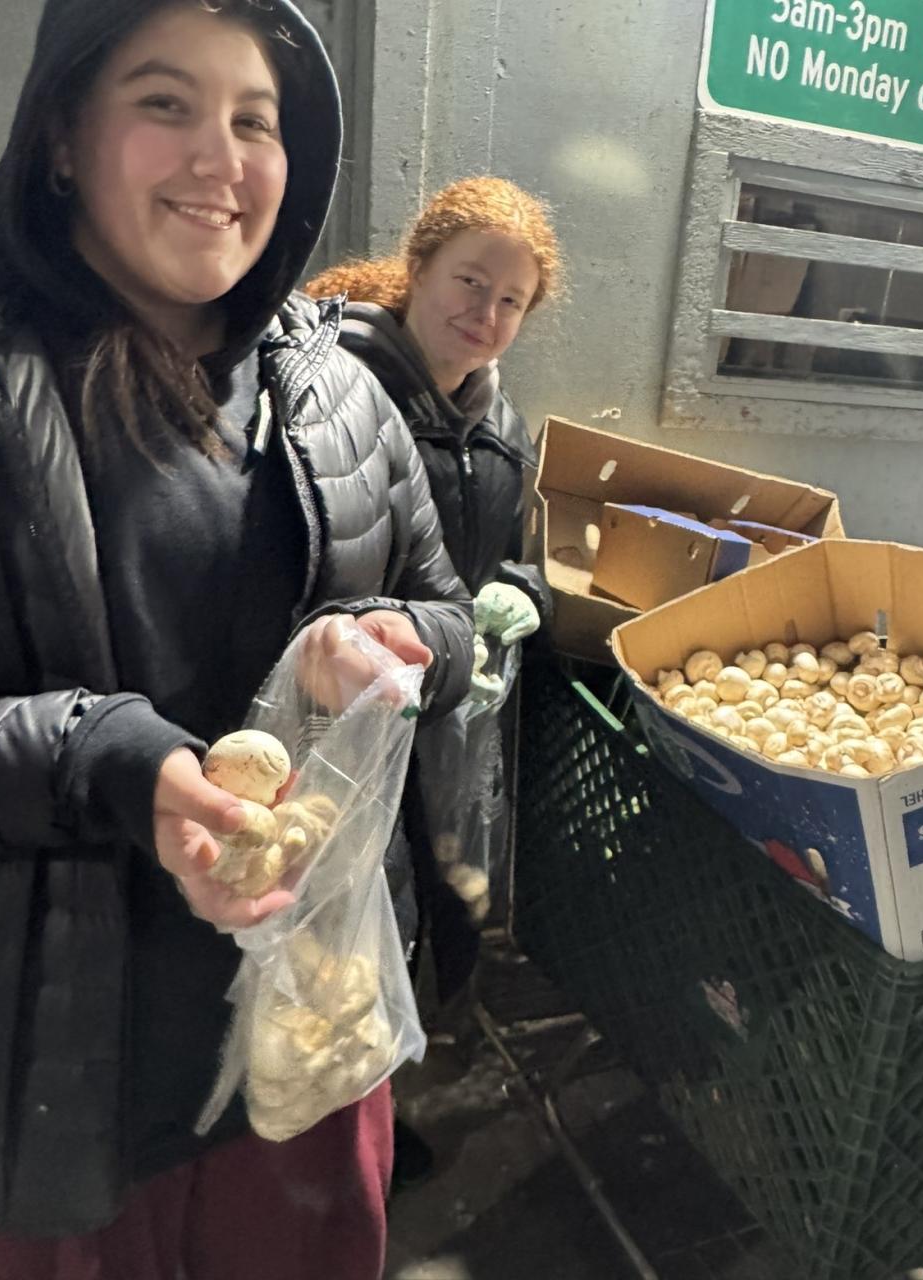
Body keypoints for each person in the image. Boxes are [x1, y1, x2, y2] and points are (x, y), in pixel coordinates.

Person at [0, 2, 474, 1278]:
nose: (222, 158)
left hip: (308, 1038)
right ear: (61, 136)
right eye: (166, 103)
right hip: (56, 1080)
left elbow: (450, 613)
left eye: (255, 122)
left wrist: (383, 641)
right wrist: (105, 756)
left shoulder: (341, 391)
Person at [306, 177, 563, 1174]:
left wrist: (521, 593)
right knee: (349, 904)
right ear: (417, 269)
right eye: (469, 281)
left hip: (451, 716)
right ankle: (331, 1129)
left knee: (439, 893)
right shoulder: (334, 388)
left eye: (511, 301)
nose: (485, 313)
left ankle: (393, 1096)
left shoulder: (502, 427)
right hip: (349, 712)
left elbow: (517, 552)